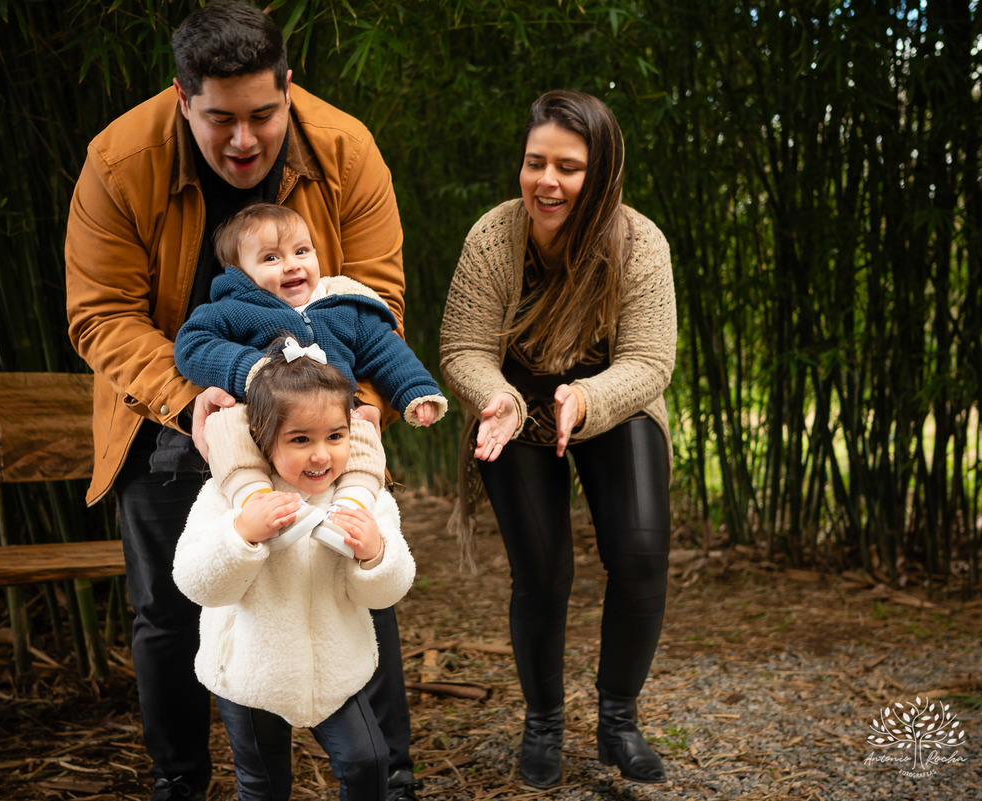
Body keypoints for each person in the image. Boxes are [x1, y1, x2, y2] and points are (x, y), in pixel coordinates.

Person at [64, 2, 423, 798]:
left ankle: (389, 779)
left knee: (353, 564)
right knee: (169, 604)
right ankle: (180, 780)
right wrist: (192, 395)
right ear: (182, 98)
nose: (244, 141)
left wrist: (356, 406)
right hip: (175, 402)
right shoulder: (120, 160)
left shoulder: (344, 148)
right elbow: (101, 313)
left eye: (263, 114)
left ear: (288, 86)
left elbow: (376, 297)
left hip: (318, 401)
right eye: (220, 119)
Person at [439, 90, 677, 789]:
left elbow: (650, 360)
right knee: (541, 571)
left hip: (614, 400)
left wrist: (586, 397)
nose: (546, 181)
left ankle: (618, 721)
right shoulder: (493, 237)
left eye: (568, 168)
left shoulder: (640, 243)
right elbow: (462, 347)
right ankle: (542, 722)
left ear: (601, 173)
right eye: (535, 162)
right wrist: (500, 399)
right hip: (513, 407)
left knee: (640, 553)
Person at [173, 338, 416, 801]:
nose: (321, 455)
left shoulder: (364, 500)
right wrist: (242, 535)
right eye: (301, 440)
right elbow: (196, 582)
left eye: (335, 437)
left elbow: (386, 593)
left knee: (368, 762)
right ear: (264, 438)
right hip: (250, 672)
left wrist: (374, 553)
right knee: (264, 785)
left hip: (336, 669)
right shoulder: (228, 496)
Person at [174, 203, 445, 558]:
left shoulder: (341, 306)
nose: (291, 264)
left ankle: (348, 511)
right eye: (271, 258)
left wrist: (416, 389)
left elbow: (384, 348)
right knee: (225, 425)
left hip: (332, 419)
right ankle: (256, 501)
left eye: (301, 251)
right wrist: (249, 370)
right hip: (263, 421)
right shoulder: (232, 310)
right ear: (240, 273)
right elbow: (193, 345)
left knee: (363, 430)